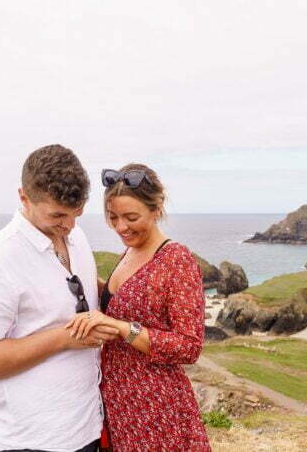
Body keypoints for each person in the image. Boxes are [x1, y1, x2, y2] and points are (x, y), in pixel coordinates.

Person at [0, 144, 118, 452]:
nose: (69, 225)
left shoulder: (74, 236)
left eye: (76, 214)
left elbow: (79, 288)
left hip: (88, 428)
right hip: (32, 442)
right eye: (58, 215)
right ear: (24, 197)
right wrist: (65, 338)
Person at [66, 163, 211, 452]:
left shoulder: (175, 259)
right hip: (122, 405)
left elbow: (189, 346)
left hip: (158, 409)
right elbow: (126, 301)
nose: (121, 227)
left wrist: (121, 329)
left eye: (131, 217)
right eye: (113, 217)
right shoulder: (130, 251)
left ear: (156, 208)